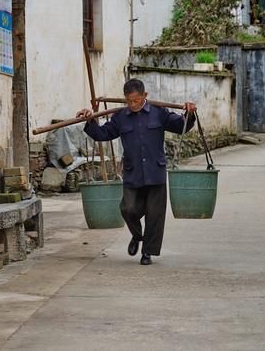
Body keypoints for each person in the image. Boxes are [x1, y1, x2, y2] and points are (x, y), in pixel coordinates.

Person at [76, 79, 196, 265]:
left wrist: (189, 113)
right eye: (129, 101)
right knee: (128, 208)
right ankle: (137, 235)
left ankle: (147, 252)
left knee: (154, 214)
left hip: (155, 171)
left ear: (144, 96)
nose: (133, 105)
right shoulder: (120, 117)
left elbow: (181, 126)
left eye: (136, 100)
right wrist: (90, 119)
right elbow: (102, 134)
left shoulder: (159, 112)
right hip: (133, 172)